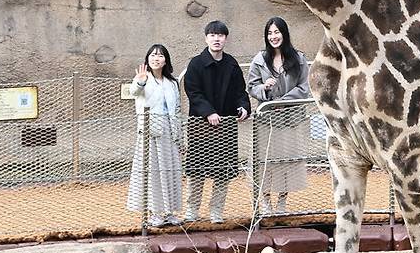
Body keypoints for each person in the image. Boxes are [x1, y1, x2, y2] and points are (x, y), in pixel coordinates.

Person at [183, 20, 251, 223]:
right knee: (197, 169)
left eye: (220, 35)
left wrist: (244, 108)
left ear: (226, 39)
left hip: (226, 127)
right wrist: (208, 112)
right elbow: (193, 92)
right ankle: (192, 210)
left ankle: (216, 212)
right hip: (200, 126)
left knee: (223, 170)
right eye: (212, 35)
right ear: (206, 38)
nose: (216, 38)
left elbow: (241, 91)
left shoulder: (231, 63)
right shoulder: (195, 63)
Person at [247, 16, 311, 215]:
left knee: (287, 161)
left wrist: (282, 102)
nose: (273, 36)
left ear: (284, 33)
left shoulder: (298, 58)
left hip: (291, 118)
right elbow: (251, 86)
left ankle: (282, 202)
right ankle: (265, 203)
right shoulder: (259, 60)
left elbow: (304, 87)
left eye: (277, 32)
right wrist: (264, 90)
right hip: (267, 120)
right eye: (270, 33)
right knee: (266, 160)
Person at [126, 44, 182, 227]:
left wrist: (180, 135)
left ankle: (170, 212)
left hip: (170, 131)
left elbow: (178, 109)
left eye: (160, 56)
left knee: (171, 171)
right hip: (150, 132)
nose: (156, 58)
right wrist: (140, 80)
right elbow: (134, 92)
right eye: (152, 55)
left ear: (166, 60)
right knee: (153, 173)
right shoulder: (143, 79)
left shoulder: (172, 83)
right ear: (147, 59)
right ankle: (155, 213)